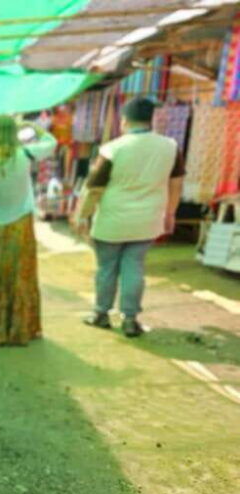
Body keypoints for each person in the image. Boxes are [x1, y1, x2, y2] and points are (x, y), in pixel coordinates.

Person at [74, 97, 185, 337]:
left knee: (107, 269)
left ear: (124, 120)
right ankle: (130, 319)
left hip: (112, 220)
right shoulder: (171, 146)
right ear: (151, 119)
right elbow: (176, 184)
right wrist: (170, 213)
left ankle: (101, 314)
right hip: (147, 220)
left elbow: (94, 188)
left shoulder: (113, 148)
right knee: (134, 267)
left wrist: (82, 215)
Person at [0, 115, 57, 345]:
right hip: (20, 223)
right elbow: (52, 142)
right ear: (14, 133)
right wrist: (32, 126)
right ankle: (18, 329)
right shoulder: (25, 154)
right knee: (20, 274)